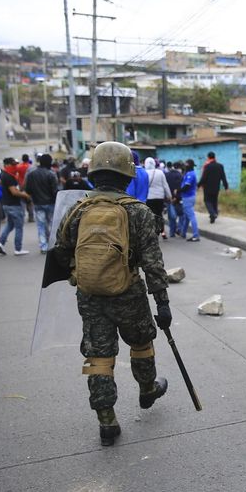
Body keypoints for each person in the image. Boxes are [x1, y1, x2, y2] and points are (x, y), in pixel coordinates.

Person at [52, 141, 171, 446]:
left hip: (91, 296)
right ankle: (147, 389)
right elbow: (152, 263)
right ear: (127, 175)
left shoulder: (77, 210)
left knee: (98, 357)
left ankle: (107, 420)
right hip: (129, 293)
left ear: (93, 172)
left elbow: (61, 252)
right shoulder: (139, 213)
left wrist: (81, 275)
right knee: (142, 343)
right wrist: (162, 303)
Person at [0, 157, 32, 256]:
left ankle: (0, 242)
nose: (15, 166)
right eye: (13, 165)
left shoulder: (4, 175)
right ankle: (18, 249)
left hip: (6, 204)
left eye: (16, 164)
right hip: (14, 205)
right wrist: (25, 195)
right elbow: (14, 192)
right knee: (19, 227)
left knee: (10, 225)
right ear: (7, 165)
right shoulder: (9, 177)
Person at [24, 153, 59, 254]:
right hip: (51, 203)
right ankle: (52, 245)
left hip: (38, 203)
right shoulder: (51, 174)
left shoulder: (32, 174)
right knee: (52, 224)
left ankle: (43, 246)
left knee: (41, 225)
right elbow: (55, 191)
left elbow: (28, 190)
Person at [144, 157, 171, 239]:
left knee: (151, 215)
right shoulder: (160, 172)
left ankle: (153, 233)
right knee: (159, 214)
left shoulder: (144, 173)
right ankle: (162, 231)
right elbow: (165, 185)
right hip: (160, 197)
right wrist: (169, 195)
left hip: (149, 198)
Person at [199, 151, 228, 223]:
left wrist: (198, 185)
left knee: (207, 201)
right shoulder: (220, 166)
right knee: (214, 201)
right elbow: (223, 177)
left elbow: (204, 178)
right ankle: (213, 216)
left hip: (207, 188)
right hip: (216, 187)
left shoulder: (207, 166)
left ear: (208, 157)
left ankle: (213, 213)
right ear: (215, 157)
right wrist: (226, 187)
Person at [180, 159, 200, 241]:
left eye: (186, 165)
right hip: (187, 197)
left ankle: (196, 235)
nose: (184, 166)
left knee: (191, 216)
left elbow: (186, 187)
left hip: (188, 197)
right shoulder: (188, 173)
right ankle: (183, 233)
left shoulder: (190, 175)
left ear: (189, 166)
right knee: (186, 217)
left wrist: (178, 190)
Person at [164, 161, 183, 238]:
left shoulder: (166, 175)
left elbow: (165, 187)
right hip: (178, 198)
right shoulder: (180, 175)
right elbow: (180, 187)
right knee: (181, 214)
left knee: (171, 217)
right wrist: (177, 196)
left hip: (169, 198)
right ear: (179, 168)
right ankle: (179, 228)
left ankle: (172, 233)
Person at [16, 154, 35, 223]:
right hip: (29, 186)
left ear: (22, 159)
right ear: (28, 159)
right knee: (30, 202)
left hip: (21, 186)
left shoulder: (18, 167)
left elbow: (16, 175)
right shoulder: (31, 167)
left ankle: (21, 217)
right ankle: (31, 217)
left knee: (22, 202)